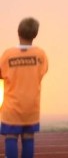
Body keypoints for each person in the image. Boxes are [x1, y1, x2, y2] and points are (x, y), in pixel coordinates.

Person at [0, 17, 49, 158]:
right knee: (28, 136)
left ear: (18, 32)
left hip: (12, 106)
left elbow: (1, 74)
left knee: (11, 136)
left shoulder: (8, 54)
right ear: (35, 34)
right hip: (31, 106)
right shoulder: (40, 55)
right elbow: (43, 71)